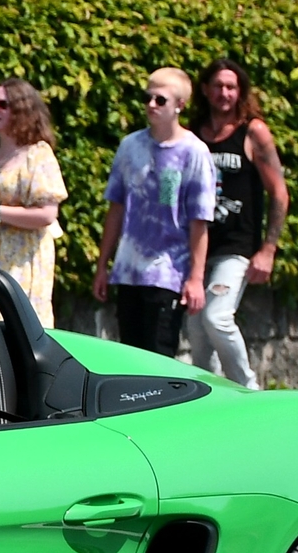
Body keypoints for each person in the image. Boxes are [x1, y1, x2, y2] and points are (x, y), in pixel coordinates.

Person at [92, 67, 216, 357]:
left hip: (168, 271)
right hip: (129, 269)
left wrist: (195, 278)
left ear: (180, 106)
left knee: (159, 356)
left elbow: (199, 220)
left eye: (160, 100)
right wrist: (103, 265)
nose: (151, 105)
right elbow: (116, 208)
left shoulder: (193, 152)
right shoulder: (130, 146)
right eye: (147, 98)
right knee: (129, 356)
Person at [186, 58, 289, 391]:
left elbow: (279, 192)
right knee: (197, 332)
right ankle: (210, 398)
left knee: (217, 317)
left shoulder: (253, 131)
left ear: (240, 91)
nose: (224, 93)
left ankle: (247, 389)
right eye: (217, 85)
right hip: (198, 247)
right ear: (205, 89)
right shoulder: (193, 132)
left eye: (231, 86)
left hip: (237, 247)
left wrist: (268, 249)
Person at [0, 78, 67, 326]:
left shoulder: (38, 154)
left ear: (22, 110)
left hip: (23, 256)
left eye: (4, 104)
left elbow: (47, 214)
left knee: (16, 324)